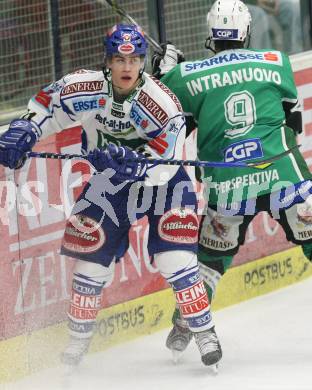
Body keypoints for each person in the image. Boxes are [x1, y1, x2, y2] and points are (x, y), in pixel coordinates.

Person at [0, 24, 222, 369]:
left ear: (143, 63)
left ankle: (205, 331)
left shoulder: (161, 103)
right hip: (110, 183)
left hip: (165, 181)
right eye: (119, 58)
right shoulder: (83, 86)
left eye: (134, 59)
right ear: (108, 61)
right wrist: (27, 127)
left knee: (174, 260)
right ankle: (77, 342)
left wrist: (132, 164)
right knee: (88, 261)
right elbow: (47, 107)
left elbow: (166, 159)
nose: (126, 67)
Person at [152, 0, 312, 357]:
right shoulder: (276, 62)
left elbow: (162, 110)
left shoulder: (187, 76)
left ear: (211, 34)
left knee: (210, 260)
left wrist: (165, 72)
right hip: (283, 175)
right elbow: (293, 120)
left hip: (228, 185)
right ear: (247, 30)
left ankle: (184, 323)